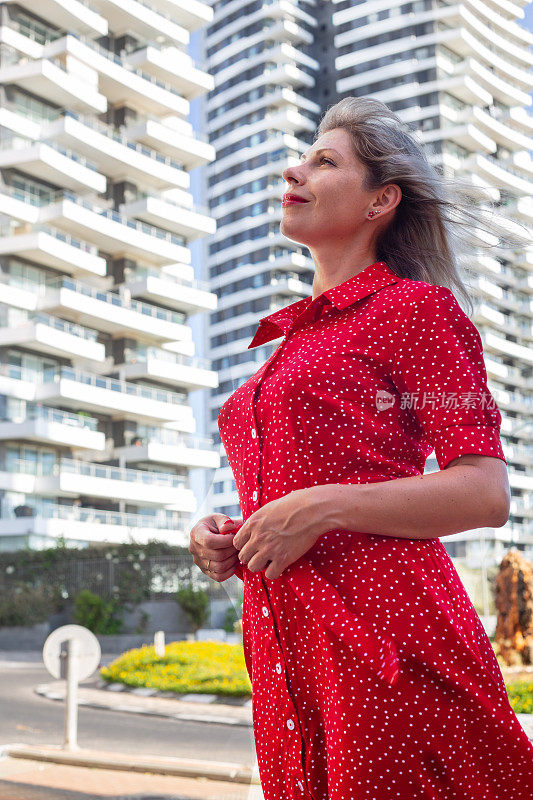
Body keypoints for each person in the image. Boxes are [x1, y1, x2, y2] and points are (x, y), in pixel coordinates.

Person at [188, 97, 533, 799]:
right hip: (289, 656)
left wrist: (316, 509)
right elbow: (298, 485)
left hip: (391, 648)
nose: (293, 170)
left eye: (323, 160)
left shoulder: (418, 311)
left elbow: (483, 490)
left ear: (382, 199)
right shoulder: (292, 342)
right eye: (299, 157)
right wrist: (232, 534)